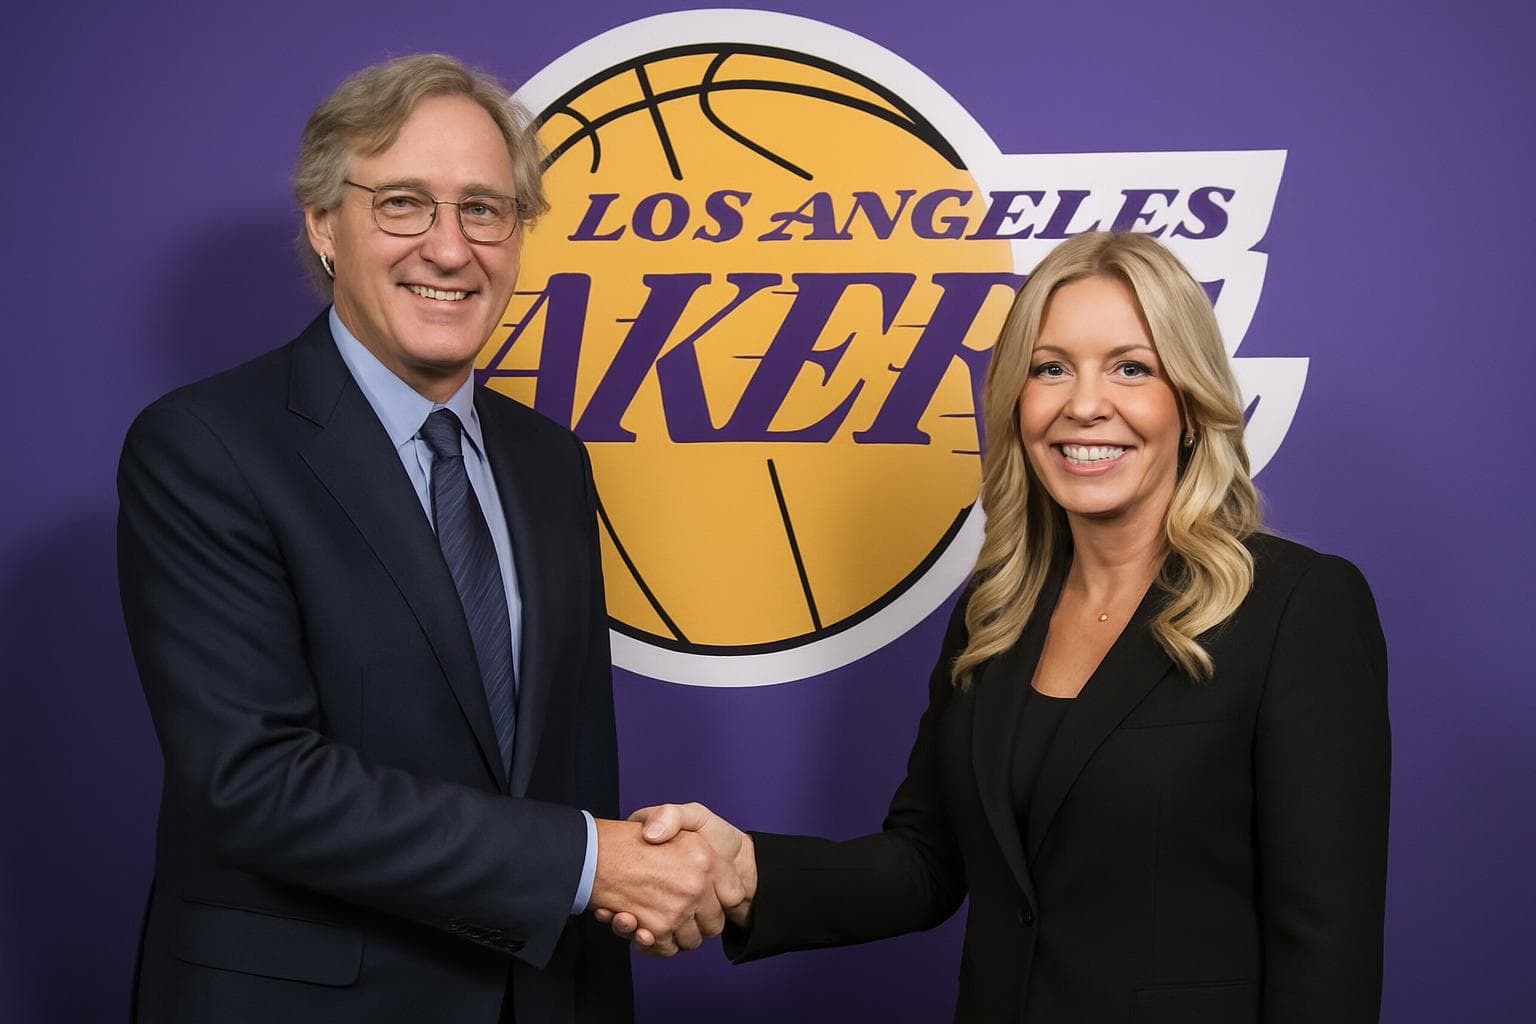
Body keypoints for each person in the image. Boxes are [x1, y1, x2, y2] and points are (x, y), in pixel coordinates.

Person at [601, 231, 1391, 1022]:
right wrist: (744, 871)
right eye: (1051, 368)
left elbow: (1325, 955)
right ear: (1018, 400)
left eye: (1131, 367)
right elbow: (926, 863)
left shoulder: (1298, 608)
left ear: (1189, 401)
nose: (1084, 403)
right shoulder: (997, 611)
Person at [117, 54, 741, 1024]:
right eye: (404, 203)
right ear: (325, 225)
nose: (450, 250)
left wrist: (613, 895)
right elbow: (256, 781)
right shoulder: (205, 448)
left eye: (485, 210)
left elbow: (571, 774)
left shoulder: (551, 463)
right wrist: (591, 860)